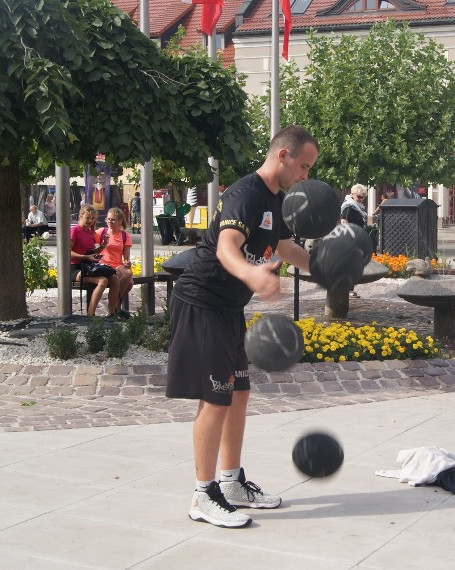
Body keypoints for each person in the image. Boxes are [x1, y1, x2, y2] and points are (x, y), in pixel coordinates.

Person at [166, 125, 317, 529]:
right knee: (215, 399)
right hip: (202, 303)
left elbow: (284, 247)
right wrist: (253, 278)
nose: (305, 175)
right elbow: (226, 247)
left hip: (227, 309)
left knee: (238, 395)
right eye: (303, 166)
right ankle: (203, 494)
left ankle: (231, 482)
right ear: (282, 156)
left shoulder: (276, 199)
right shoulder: (246, 193)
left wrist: (322, 268)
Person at [70, 205, 121, 317]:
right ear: (81, 216)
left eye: (93, 218)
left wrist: (103, 246)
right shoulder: (75, 230)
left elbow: (92, 252)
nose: (90, 221)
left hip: (89, 266)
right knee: (102, 281)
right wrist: (85, 257)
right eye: (88, 217)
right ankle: (91, 314)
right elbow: (68, 253)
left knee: (115, 279)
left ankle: (112, 312)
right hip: (75, 268)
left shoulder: (89, 232)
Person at [97, 207, 133, 319]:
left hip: (117, 264)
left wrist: (127, 263)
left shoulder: (125, 235)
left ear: (120, 221)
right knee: (129, 282)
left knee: (128, 274)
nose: (110, 222)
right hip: (104, 264)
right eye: (108, 219)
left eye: (113, 220)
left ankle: (114, 307)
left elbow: (126, 257)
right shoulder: (101, 232)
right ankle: (115, 308)